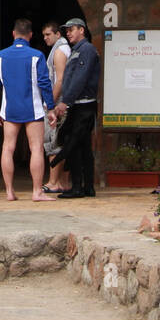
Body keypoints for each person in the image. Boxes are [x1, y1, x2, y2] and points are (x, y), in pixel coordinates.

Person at [0, 19, 57, 202]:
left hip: (9, 109)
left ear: (13, 34)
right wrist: (50, 107)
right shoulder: (37, 56)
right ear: (30, 35)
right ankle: (36, 192)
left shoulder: (0, 56)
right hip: (32, 109)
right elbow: (44, 83)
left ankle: (9, 191)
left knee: (8, 148)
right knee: (36, 149)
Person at [51, 17, 100, 198]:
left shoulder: (86, 50)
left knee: (74, 146)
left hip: (83, 105)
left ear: (82, 30)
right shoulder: (77, 50)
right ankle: (87, 187)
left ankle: (78, 187)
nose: (68, 33)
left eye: (72, 29)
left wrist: (66, 101)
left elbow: (80, 78)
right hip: (80, 104)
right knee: (84, 146)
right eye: (67, 30)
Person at [40, 21, 71, 194]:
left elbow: (59, 80)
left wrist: (50, 105)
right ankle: (63, 182)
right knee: (64, 144)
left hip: (58, 104)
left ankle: (53, 182)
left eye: (48, 34)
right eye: (44, 35)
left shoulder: (59, 52)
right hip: (64, 103)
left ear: (58, 34)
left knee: (53, 143)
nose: (45, 38)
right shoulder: (67, 49)